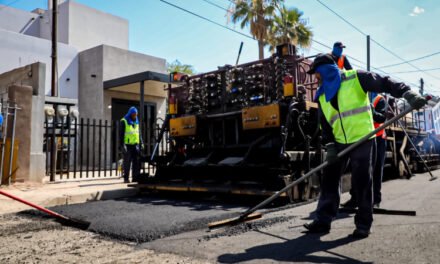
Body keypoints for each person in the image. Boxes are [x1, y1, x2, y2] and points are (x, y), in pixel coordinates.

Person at [303, 53, 427, 238]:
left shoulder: (356, 78)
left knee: (362, 181)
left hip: (362, 138)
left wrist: (407, 92)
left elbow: (384, 82)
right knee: (329, 180)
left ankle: (363, 224)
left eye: (317, 73)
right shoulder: (321, 94)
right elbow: (325, 124)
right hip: (338, 142)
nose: (316, 77)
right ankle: (323, 220)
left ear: (325, 69)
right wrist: (329, 145)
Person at [342, 93, 387, 209]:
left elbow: (382, 118)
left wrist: (372, 111)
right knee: (356, 169)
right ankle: (355, 199)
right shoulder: (358, 96)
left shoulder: (379, 99)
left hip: (377, 137)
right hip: (361, 137)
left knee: (376, 170)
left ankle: (375, 200)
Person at [119, 107, 143, 183]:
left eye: (136, 114)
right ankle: (126, 178)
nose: (135, 116)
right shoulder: (124, 121)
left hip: (135, 145)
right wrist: (122, 145)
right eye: (133, 114)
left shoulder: (136, 121)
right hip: (127, 145)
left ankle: (135, 177)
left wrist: (141, 142)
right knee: (127, 163)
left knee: (136, 162)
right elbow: (121, 135)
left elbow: (139, 133)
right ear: (130, 114)